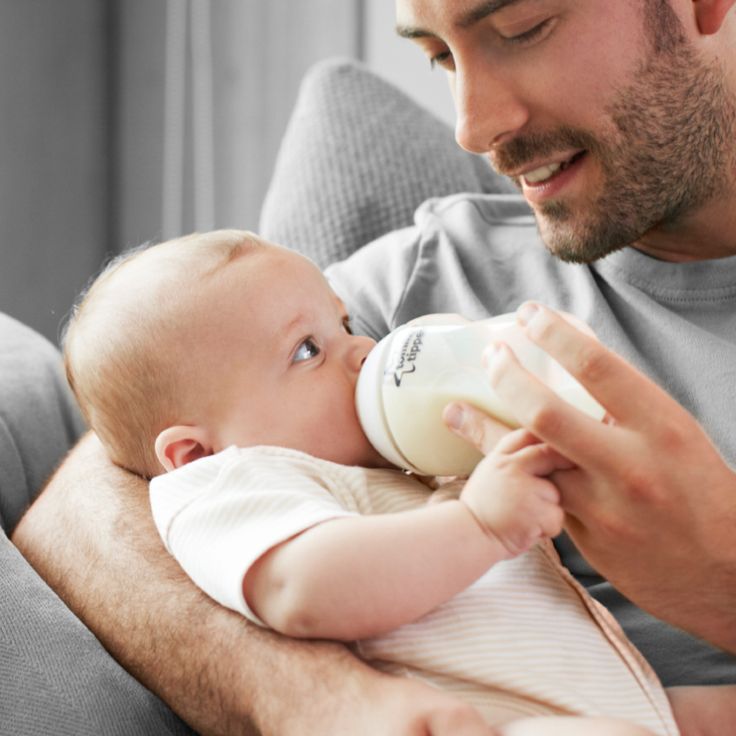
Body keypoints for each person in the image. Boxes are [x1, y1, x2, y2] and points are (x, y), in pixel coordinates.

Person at [12, 0, 736, 733]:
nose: (472, 126)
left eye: (523, 29)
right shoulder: (417, 287)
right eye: (439, 57)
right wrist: (317, 699)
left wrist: (720, 576)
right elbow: (91, 502)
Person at [61, 227, 721, 735]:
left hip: (618, 696)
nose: (364, 349)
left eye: (344, 323)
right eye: (305, 351)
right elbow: (305, 588)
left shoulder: (384, 458)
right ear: (192, 451)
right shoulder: (228, 487)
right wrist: (481, 523)